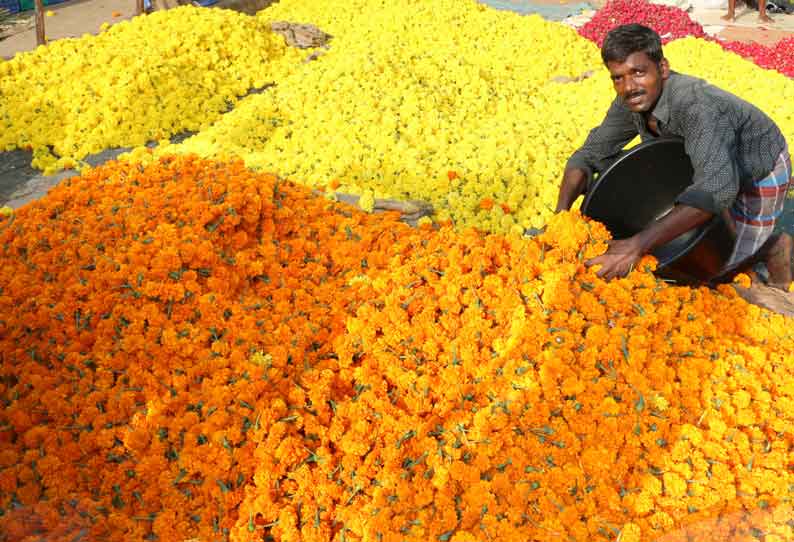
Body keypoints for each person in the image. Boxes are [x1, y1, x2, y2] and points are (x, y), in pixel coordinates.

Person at [556, 23, 792, 288]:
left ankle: (772, 248)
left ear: (663, 68)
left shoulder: (697, 108)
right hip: (704, 163)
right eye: (617, 77)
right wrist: (560, 220)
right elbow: (589, 154)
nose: (628, 86)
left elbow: (715, 191)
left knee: (712, 268)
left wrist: (635, 246)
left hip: (757, 166)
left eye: (638, 72)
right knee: (679, 249)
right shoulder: (631, 100)